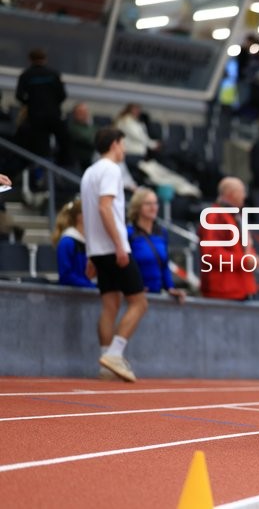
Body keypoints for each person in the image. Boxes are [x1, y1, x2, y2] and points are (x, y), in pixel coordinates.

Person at [80, 127, 148, 382]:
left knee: (110, 305)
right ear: (114, 144)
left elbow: (88, 213)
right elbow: (104, 208)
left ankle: (105, 364)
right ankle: (114, 354)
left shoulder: (89, 172)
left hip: (98, 249)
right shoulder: (111, 169)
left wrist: (91, 253)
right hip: (112, 247)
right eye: (123, 144)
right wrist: (120, 244)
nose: (125, 150)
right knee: (139, 302)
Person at [197, 177, 257, 301]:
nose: (244, 196)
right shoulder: (215, 217)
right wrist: (245, 261)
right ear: (231, 194)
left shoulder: (234, 216)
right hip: (223, 291)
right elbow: (211, 254)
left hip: (239, 289)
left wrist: (251, 258)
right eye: (242, 192)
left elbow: (244, 248)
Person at [127, 188, 186, 303]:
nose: (153, 207)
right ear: (137, 207)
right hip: (135, 295)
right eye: (148, 204)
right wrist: (131, 286)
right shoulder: (129, 233)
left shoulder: (161, 233)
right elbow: (122, 264)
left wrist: (170, 288)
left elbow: (164, 264)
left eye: (155, 203)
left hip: (156, 293)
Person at [15, 48, 71, 169]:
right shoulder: (54, 74)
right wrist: (53, 104)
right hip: (54, 115)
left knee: (40, 147)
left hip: (35, 117)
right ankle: (64, 166)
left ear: (30, 59)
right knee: (64, 140)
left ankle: (41, 172)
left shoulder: (26, 75)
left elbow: (19, 95)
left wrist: (30, 103)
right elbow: (62, 95)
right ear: (45, 59)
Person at [52, 198, 96, 288]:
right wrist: (90, 286)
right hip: (73, 294)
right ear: (80, 217)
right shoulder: (67, 242)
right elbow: (66, 276)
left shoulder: (88, 241)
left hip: (87, 291)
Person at [67, 103, 97, 173]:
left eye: (86, 112)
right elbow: (89, 140)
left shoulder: (92, 126)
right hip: (79, 161)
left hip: (91, 159)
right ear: (75, 114)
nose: (84, 114)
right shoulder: (72, 127)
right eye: (81, 112)